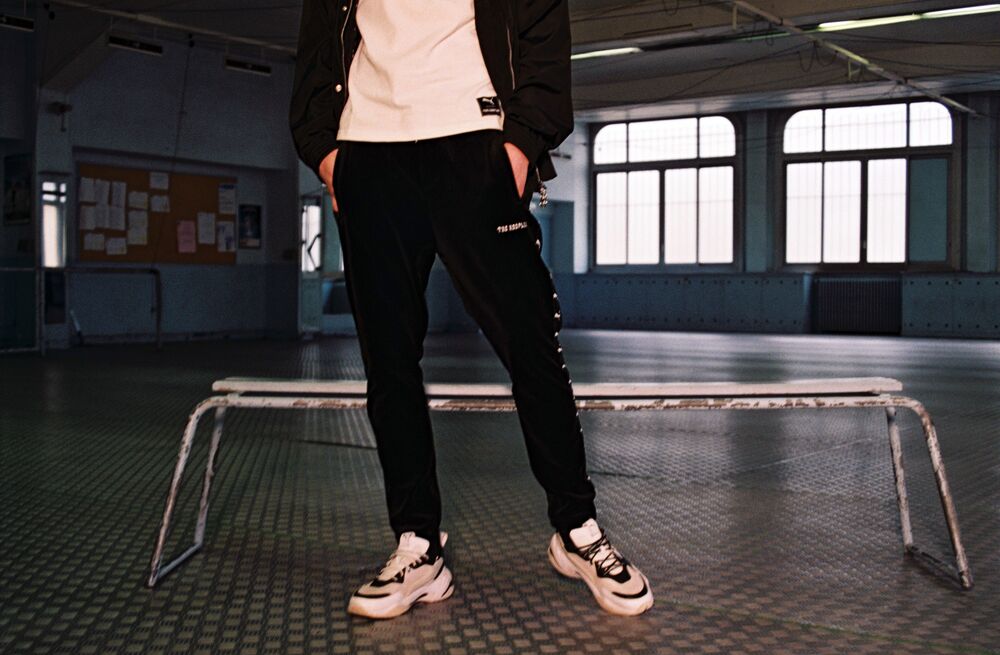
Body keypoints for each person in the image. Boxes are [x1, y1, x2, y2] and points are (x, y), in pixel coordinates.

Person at [289, 0, 653, 619]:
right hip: (368, 153)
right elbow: (317, 47)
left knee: (532, 346)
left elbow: (542, 33)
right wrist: (328, 154)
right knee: (388, 363)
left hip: (475, 141)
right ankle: (418, 546)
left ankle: (577, 529)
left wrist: (519, 147)